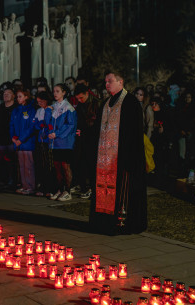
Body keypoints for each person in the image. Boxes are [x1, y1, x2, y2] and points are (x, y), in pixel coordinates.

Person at [89, 72, 147, 235]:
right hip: (103, 159)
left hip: (121, 157)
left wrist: (127, 156)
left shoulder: (130, 102)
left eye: (110, 81)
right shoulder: (106, 103)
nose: (107, 84)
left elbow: (134, 133)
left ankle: (121, 222)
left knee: (122, 190)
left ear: (121, 82)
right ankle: (102, 221)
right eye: (105, 81)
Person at [47, 84, 77, 201]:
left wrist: (57, 134)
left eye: (58, 91)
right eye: (54, 91)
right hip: (54, 142)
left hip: (65, 142)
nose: (55, 93)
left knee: (65, 166)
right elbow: (48, 122)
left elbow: (70, 125)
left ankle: (68, 191)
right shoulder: (53, 107)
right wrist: (50, 132)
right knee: (57, 166)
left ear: (64, 92)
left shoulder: (68, 108)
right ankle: (60, 189)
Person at [73, 84, 102, 199]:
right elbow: (79, 120)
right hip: (84, 138)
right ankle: (85, 187)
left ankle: (93, 188)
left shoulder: (97, 104)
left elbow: (98, 122)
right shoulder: (80, 106)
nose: (80, 100)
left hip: (94, 138)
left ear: (87, 94)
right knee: (83, 163)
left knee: (93, 164)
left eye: (81, 98)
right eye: (78, 98)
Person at [10, 89, 37, 195]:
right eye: (17, 97)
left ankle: (31, 186)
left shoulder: (31, 110)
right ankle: (24, 185)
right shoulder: (16, 110)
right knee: (21, 165)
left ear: (26, 97)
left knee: (29, 165)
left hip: (27, 142)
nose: (18, 99)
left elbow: (31, 127)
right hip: (18, 142)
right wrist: (13, 137)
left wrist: (21, 139)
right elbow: (11, 125)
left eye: (20, 96)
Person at [0, 88, 18, 189]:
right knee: (1, 161)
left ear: (13, 96)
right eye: (4, 93)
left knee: (13, 162)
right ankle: (2, 180)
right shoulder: (0, 108)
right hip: (1, 140)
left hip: (12, 139)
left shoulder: (16, 108)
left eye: (8, 93)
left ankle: (13, 181)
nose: (6, 95)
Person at [32, 91, 55, 197]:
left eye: (41, 101)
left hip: (48, 142)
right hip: (40, 141)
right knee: (41, 164)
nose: (40, 103)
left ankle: (50, 188)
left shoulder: (51, 109)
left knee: (49, 165)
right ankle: (42, 187)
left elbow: (48, 123)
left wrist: (44, 125)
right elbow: (35, 124)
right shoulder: (39, 111)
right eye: (38, 102)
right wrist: (40, 125)